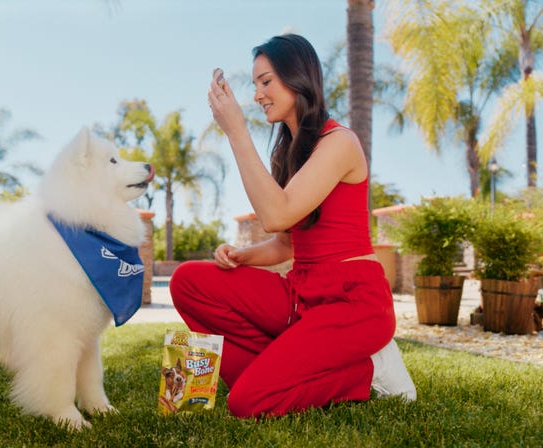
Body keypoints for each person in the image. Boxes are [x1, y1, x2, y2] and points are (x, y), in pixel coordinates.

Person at [170, 33, 415, 419]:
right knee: (187, 281)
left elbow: (276, 214)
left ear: (297, 77)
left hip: (352, 302)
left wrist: (235, 131)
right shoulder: (288, 152)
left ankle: (368, 371)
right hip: (300, 295)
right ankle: (286, 367)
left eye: (266, 81)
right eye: (254, 85)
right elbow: (286, 244)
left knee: (247, 403)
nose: (257, 94)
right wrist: (242, 256)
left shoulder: (340, 142)